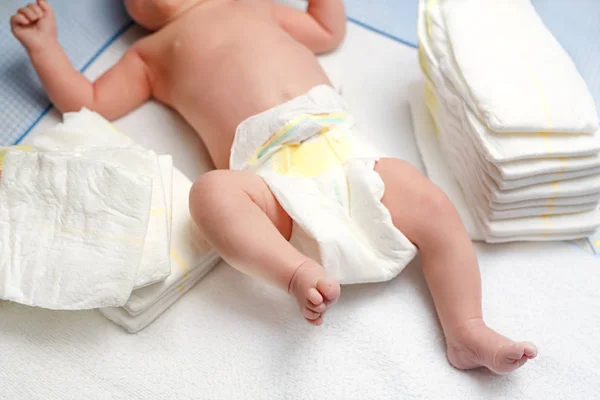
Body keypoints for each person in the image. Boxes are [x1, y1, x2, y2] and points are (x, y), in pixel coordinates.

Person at [11, 0, 537, 373]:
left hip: (347, 154)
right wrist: (44, 49)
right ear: (133, 12)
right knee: (210, 195)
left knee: (432, 203)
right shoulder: (149, 56)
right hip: (271, 185)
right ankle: (293, 272)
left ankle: (466, 327)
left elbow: (325, 30)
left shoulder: (256, 6)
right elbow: (89, 102)